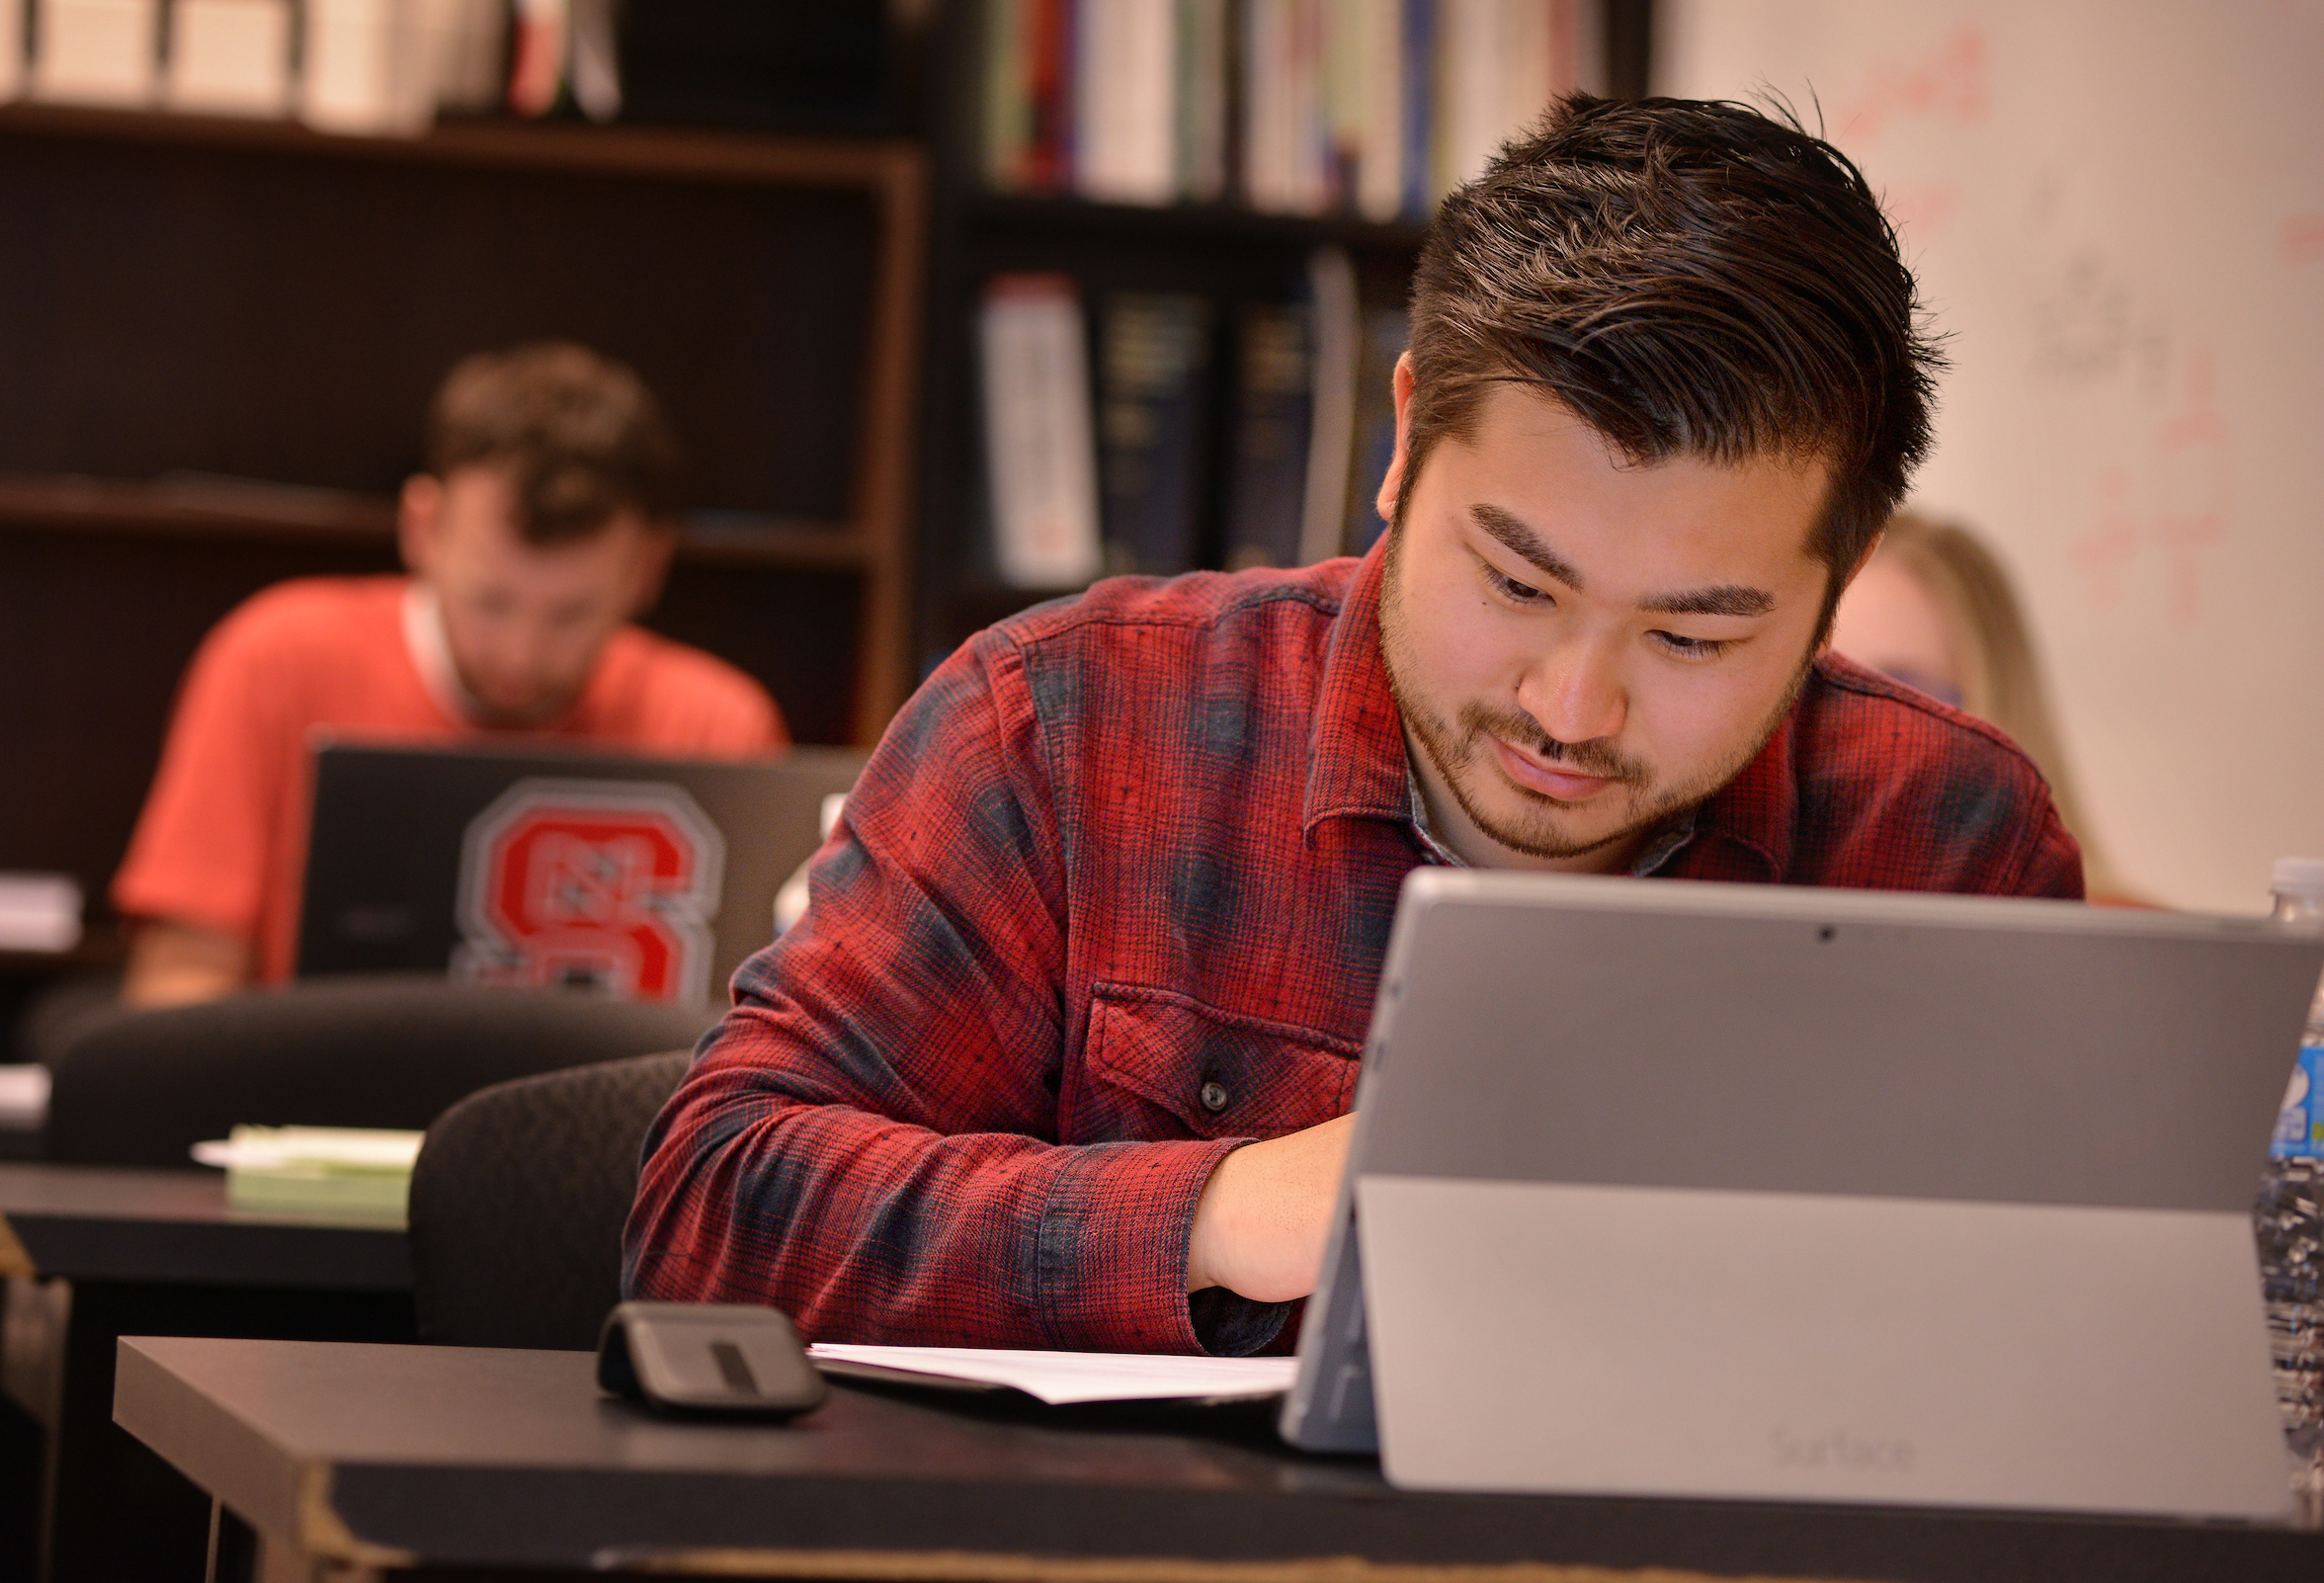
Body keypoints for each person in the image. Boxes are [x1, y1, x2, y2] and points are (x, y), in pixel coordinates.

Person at [625, 96, 2083, 1355]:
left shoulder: (1944, 836)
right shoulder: (1069, 725)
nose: (1572, 708)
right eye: (1516, 580)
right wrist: (1215, 1212)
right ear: (1403, 443)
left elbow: (2052, 1343)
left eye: (1697, 634)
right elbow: (712, 1214)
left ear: (1843, 578)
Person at [114, 343, 789, 1007]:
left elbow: (761, 1031)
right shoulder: (275, 660)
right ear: (423, 528)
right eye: (489, 601)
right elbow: (181, 983)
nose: (522, 655)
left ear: (647, 567)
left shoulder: (716, 722)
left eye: (571, 614)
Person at [1831, 511, 2136, 903]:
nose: (1845, 732)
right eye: (1817, 687)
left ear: (1995, 712)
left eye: (1901, 694)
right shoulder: (1750, 923)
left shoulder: (2130, 943)